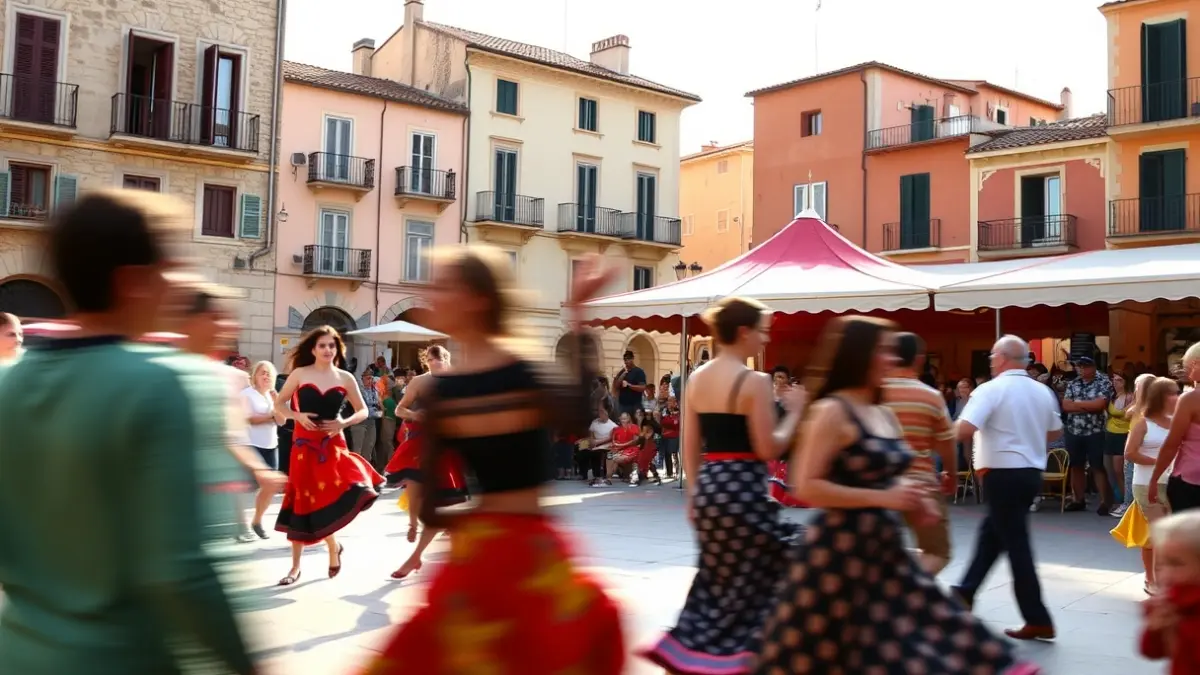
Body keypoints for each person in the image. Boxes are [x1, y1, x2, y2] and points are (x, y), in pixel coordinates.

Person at [0, 190, 255, 673]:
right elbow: (180, 570)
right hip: (119, 659)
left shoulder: (8, 384)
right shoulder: (154, 385)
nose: (178, 279)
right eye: (168, 264)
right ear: (132, 282)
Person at [360, 247, 624, 674]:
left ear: (478, 299)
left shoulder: (449, 393)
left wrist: (477, 525)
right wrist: (578, 314)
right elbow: (576, 414)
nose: (432, 295)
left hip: (485, 556)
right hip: (531, 552)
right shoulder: (520, 374)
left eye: (444, 287)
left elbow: (431, 506)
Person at [755, 318, 1033, 674]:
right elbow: (807, 485)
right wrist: (886, 498)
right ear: (860, 356)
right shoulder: (832, 411)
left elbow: (892, 471)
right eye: (882, 351)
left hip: (881, 547)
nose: (891, 359)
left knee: (941, 643)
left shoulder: (881, 412)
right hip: (840, 552)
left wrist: (917, 499)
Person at [641, 297, 806, 675]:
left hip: (712, 487)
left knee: (718, 582)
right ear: (744, 332)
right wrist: (795, 413)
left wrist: (695, 496)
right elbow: (769, 447)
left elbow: (689, 445)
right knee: (763, 579)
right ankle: (744, 658)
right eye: (762, 331)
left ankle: (701, 655)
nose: (766, 339)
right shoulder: (755, 381)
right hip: (743, 486)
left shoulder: (697, 379)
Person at [952, 335, 1060, 641]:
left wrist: (935, 432)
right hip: (1030, 471)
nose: (990, 362)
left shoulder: (990, 389)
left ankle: (1037, 617)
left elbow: (964, 429)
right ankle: (965, 592)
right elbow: (1055, 432)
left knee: (1015, 543)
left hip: (1002, 473)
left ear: (1001, 358)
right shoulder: (1042, 391)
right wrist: (1025, 435)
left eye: (991, 357)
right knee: (993, 535)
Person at [272, 326, 385, 585]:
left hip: (333, 445)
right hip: (303, 446)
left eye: (331, 345)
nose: (327, 349)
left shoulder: (345, 377)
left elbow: (363, 411)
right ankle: (296, 567)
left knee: (328, 498)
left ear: (337, 349)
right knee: (302, 501)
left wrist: (344, 422)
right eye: (322, 345)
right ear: (313, 349)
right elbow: (279, 403)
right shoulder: (300, 373)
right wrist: (296, 415)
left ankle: (333, 547)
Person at [387, 345, 469, 580]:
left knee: (441, 501)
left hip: (446, 445)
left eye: (438, 359)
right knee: (414, 484)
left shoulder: (458, 381)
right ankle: (413, 525)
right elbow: (400, 409)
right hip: (420, 440)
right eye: (431, 360)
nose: (435, 363)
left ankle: (419, 555)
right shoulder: (419, 382)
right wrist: (415, 415)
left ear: (447, 358)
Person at [881, 331, 957, 575]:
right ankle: (910, 587)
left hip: (879, 485)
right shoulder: (931, 396)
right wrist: (951, 474)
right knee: (938, 552)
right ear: (920, 359)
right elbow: (946, 443)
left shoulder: (873, 394)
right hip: (921, 485)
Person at [1127, 375, 1178, 594]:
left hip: (1174, 482)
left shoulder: (1177, 420)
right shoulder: (1143, 423)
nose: (1177, 397)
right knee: (1158, 534)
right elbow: (1130, 453)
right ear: (1160, 398)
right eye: (1172, 393)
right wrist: (1158, 462)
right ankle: (1152, 579)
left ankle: (1164, 579)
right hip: (1146, 484)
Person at [1140, 511, 1200, 675]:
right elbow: (1151, 651)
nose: (1166, 573)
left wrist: (1178, 628)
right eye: (1161, 564)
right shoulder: (1171, 601)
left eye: (1176, 564)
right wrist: (1154, 628)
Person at [1062, 356, 1115, 513]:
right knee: (1076, 465)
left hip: (1095, 430)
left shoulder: (1103, 381)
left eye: (1084, 367)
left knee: (1097, 465)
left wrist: (1077, 404)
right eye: (1079, 367)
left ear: (1093, 367)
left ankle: (1105, 502)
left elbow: (1100, 405)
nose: (1081, 370)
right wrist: (1088, 406)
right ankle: (1078, 499)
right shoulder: (1073, 383)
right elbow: (1066, 406)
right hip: (1074, 430)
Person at [1152, 343, 1200, 513]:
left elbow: (1172, 444)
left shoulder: (1190, 399)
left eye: (1188, 366)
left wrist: (1154, 478)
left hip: (1190, 477)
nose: (1186, 371)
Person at [243, 360, 286, 538]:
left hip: (271, 445)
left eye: (269, 373)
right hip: (252, 445)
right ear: (255, 376)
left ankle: (257, 521)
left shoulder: (272, 396)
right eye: (263, 373)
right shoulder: (247, 394)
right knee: (247, 487)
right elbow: (250, 419)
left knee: (270, 486)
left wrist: (277, 403)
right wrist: (271, 416)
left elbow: (282, 421)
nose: (266, 376)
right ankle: (240, 523)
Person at [1106, 371, 1135, 517]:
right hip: (1110, 433)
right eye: (1114, 379)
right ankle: (1120, 499)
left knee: (1120, 470)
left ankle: (1127, 502)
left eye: (1119, 380)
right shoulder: (1112, 395)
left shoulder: (1130, 396)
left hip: (1123, 434)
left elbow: (1128, 414)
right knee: (1110, 469)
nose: (1116, 382)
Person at [613, 349, 648, 419]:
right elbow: (615, 386)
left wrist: (629, 385)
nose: (626, 361)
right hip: (622, 404)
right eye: (625, 359)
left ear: (632, 359)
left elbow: (642, 387)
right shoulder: (622, 371)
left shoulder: (639, 371)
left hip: (635, 404)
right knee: (623, 423)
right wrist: (622, 375)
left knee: (635, 423)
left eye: (628, 359)